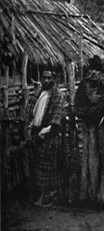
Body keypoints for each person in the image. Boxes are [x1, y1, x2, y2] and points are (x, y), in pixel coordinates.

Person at [26, 69, 65, 206]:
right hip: (36, 132)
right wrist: (31, 129)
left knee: (47, 169)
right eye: (44, 77)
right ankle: (38, 196)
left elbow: (55, 119)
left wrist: (43, 134)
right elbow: (32, 114)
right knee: (37, 167)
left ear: (54, 79)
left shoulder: (57, 96)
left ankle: (45, 198)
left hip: (48, 135)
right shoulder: (38, 94)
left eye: (49, 78)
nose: (46, 80)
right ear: (40, 78)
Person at [74, 55, 104, 129]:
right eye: (92, 69)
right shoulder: (83, 85)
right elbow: (77, 105)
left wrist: (97, 109)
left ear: (101, 73)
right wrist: (89, 100)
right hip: (86, 121)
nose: (94, 72)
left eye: (97, 70)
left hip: (103, 123)